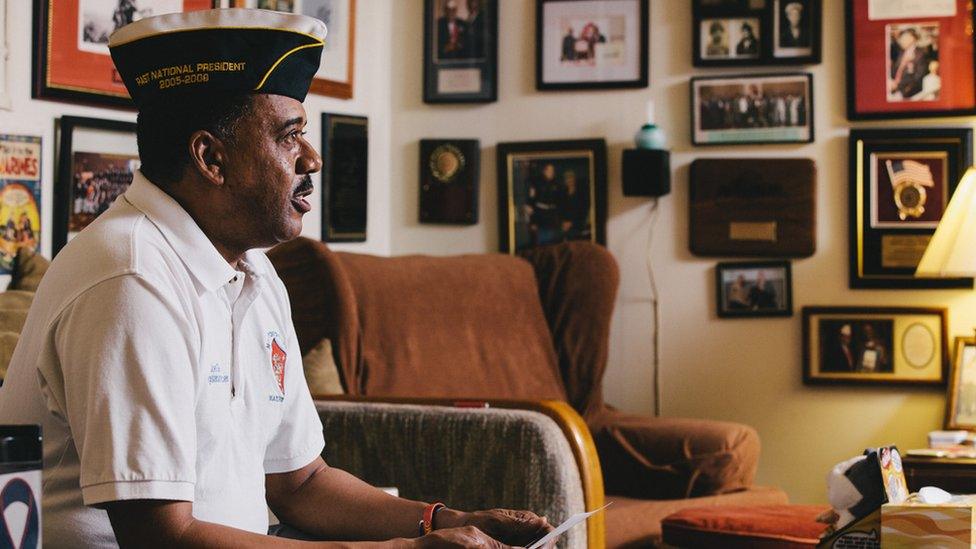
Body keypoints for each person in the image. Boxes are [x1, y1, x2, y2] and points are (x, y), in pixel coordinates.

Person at [0, 9, 552, 547]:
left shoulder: (254, 271)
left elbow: (300, 483)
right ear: (211, 158)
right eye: (290, 137)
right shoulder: (133, 276)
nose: (311, 158)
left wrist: (443, 520)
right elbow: (162, 536)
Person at [526, 163, 563, 247]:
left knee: (554, 243)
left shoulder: (557, 184)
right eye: (548, 170)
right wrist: (533, 221)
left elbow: (560, 202)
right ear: (544, 171)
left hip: (553, 217)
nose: (551, 172)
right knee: (542, 244)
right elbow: (531, 203)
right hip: (540, 216)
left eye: (552, 170)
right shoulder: (536, 183)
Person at [889, 27, 929, 99]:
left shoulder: (920, 54)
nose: (901, 41)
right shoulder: (902, 52)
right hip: (895, 87)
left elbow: (918, 78)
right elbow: (895, 70)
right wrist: (891, 80)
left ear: (912, 38)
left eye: (904, 38)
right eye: (901, 38)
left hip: (908, 90)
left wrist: (898, 86)